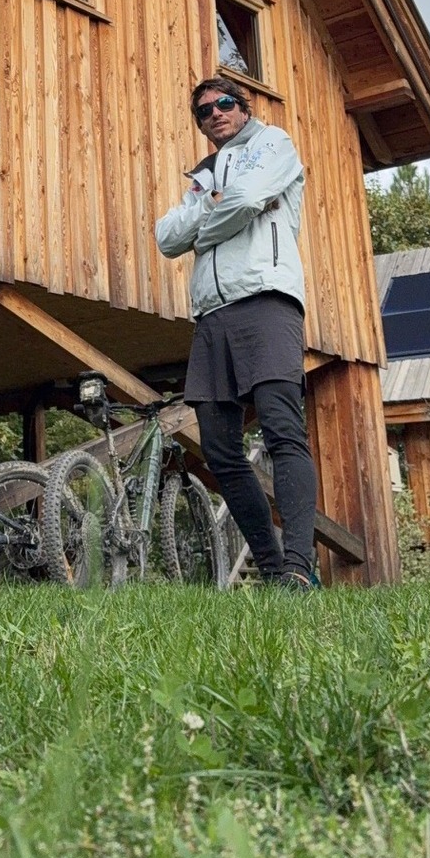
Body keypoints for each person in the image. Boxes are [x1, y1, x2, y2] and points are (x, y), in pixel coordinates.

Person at [155, 76, 318, 590]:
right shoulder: (202, 178)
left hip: (267, 300)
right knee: (221, 449)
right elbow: (165, 238)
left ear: (242, 108)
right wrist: (215, 206)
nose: (215, 114)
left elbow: (247, 197)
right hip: (211, 315)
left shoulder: (274, 144)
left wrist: (203, 228)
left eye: (224, 104)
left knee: (281, 429)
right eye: (204, 112)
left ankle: (298, 564)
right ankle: (273, 571)